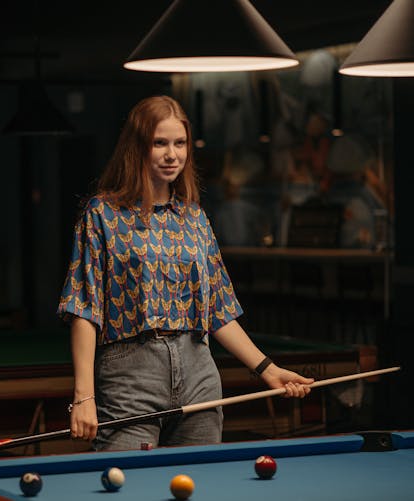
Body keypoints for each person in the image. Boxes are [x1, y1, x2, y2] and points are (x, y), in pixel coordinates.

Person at [57, 95, 313, 451]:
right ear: (137, 147)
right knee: (127, 486)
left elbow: (218, 310)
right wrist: (84, 396)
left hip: (199, 373)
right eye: (159, 143)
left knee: (198, 483)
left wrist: (267, 369)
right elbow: (85, 309)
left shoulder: (194, 217)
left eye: (180, 144)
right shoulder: (103, 215)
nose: (171, 155)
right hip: (130, 375)